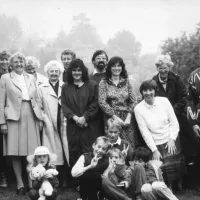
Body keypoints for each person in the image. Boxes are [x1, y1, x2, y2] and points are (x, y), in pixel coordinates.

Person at [0, 52, 44, 195]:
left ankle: (31, 182)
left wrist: (40, 118)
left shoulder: (31, 77)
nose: (19, 64)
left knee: (31, 152)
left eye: (21, 62)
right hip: (13, 118)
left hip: (31, 115)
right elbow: (1, 102)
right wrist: (2, 123)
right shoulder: (5, 78)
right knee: (15, 152)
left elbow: (37, 99)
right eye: (16, 62)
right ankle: (20, 183)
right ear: (11, 64)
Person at [134, 79, 185, 190]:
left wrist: (172, 139)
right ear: (142, 92)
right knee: (161, 166)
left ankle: (179, 181)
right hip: (155, 140)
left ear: (155, 90)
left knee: (174, 160)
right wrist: (154, 149)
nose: (148, 93)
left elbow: (174, 122)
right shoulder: (138, 109)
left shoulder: (164, 101)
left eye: (150, 90)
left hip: (170, 136)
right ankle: (169, 186)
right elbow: (144, 132)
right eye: (145, 90)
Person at [61, 59, 103, 167]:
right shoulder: (66, 87)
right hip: (73, 128)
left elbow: (95, 104)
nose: (76, 73)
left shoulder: (92, 85)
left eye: (79, 70)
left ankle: (91, 181)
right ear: (70, 72)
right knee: (75, 155)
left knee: (91, 154)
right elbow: (64, 106)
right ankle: (76, 182)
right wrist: (75, 118)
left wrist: (85, 117)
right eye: (74, 70)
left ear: (83, 71)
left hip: (90, 127)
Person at [152, 55, 192, 159]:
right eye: (160, 68)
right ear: (157, 68)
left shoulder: (177, 79)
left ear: (169, 67)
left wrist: (174, 110)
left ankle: (189, 159)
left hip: (178, 113)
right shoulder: (153, 81)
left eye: (165, 68)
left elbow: (185, 96)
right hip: (162, 117)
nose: (163, 70)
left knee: (185, 135)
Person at [38, 60, 69, 187]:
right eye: (52, 71)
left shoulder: (65, 86)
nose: (54, 74)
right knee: (51, 150)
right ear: (47, 72)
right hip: (49, 121)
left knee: (63, 148)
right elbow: (39, 106)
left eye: (57, 71)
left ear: (60, 73)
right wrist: (44, 119)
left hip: (63, 121)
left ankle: (65, 178)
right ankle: (52, 180)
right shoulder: (41, 87)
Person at [99, 56, 138, 149]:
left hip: (127, 118)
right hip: (111, 119)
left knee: (128, 146)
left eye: (119, 66)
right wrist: (115, 117)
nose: (117, 68)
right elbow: (102, 102)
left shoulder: (127, 81)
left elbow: (134, 100)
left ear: (122, 67)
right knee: (114, 146)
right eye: (114, 66)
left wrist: (128, 117)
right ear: (109, 68)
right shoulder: (104, 82)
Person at [0, 50, 11, 188]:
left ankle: (10, 175)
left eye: (5, 59)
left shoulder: (12, 75)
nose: (3, 62)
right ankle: (2, 175)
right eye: (1, 60)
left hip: (11, 113)